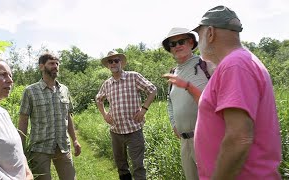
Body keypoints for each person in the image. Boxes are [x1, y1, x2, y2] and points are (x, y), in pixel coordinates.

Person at [165, 5, 282, 180]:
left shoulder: (234, 65)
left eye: (200, 34)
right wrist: (188, 87)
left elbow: (239, 138)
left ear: (210, 33)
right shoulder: (240, 62)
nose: (200, 41)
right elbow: (213, 107)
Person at [18, 53, 81, 180]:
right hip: (39, 148)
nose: (56, 66)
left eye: (57, 63)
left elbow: (68, 116)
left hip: (63, 145)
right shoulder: (30, 91)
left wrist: (75, 140)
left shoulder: (64, 89)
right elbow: (23, 120)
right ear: (41, 66)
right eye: (51, 63)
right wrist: (20, 147)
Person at [96, 50, 157, 180]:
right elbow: (98, 99)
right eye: (110, 61)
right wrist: (104, 114)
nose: (113, 63)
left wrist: (144, 109)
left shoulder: (133, 77)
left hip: (134, 129)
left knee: (138, 165)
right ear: (108, 65)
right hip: (116, 131)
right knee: (121, 166)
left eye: (116, 60)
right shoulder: (107, 84)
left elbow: (152, 90)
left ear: (121, 63)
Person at [161, 27, 213, 180]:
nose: (177, 46)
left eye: (181, 41)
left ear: (191, 42)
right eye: (173, 44)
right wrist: (173, 124)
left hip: (206, 138)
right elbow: (170, 103)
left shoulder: (206, 65)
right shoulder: (173, 73)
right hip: (185, 141)